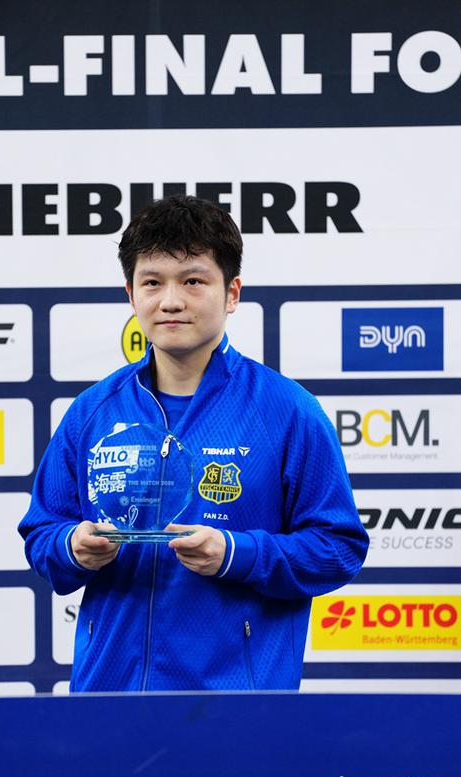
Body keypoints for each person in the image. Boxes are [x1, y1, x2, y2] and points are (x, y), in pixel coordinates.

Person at [19, 195, 368, 692]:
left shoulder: (287, 411)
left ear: (232, 293)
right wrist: (72, 547)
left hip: (236, 708)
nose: (171, 301)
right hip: (107, 698)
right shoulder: (93, 412)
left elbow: (337, 549)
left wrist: (236, 553)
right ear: (131, 293)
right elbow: (41, 535)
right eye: (152, 282)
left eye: (193, 281)